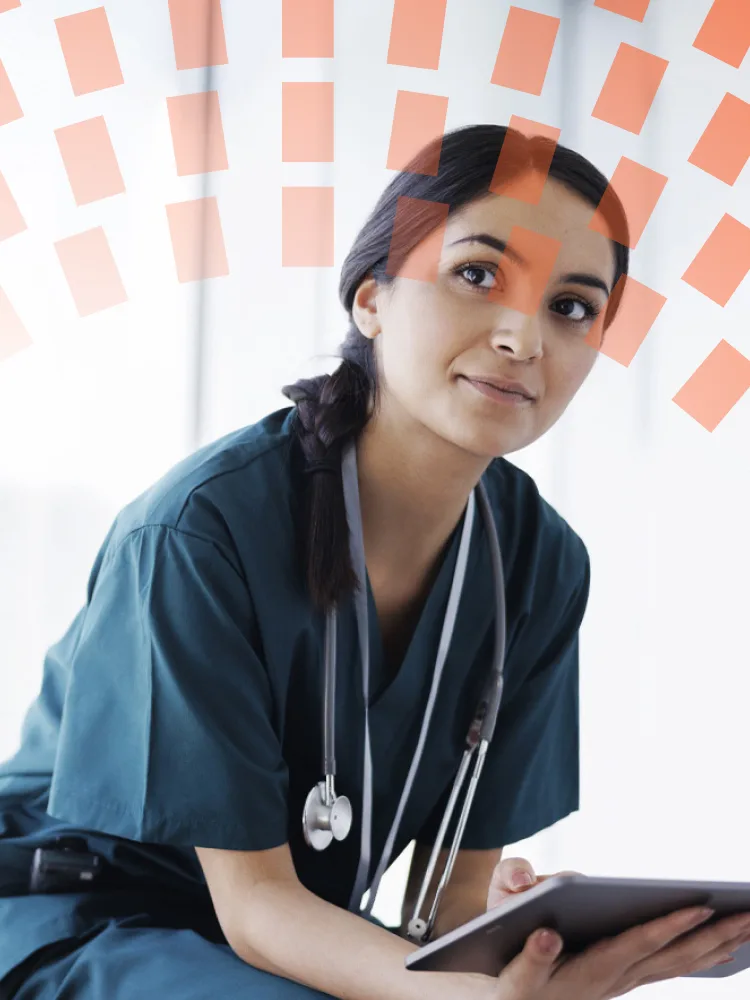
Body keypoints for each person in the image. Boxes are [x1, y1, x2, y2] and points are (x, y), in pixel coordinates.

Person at [0, 123, 747, 1000]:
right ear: (371, 299)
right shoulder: (199, 532)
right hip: (85, 916)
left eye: (572, 307)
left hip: (301, 941)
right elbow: (256, 908)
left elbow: (449, 906)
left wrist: (527, 954)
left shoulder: (539, 564)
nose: (524, 337)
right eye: (478, 275)